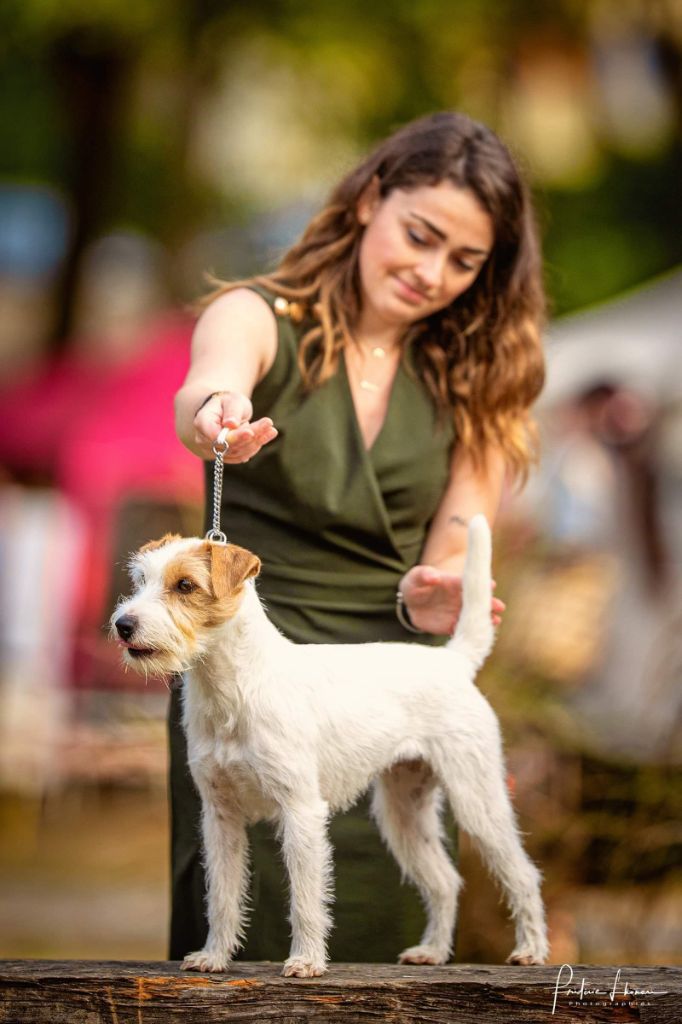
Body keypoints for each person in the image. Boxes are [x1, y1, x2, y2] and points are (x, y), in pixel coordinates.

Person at [172, 111, 545, 962]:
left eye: (465, 261)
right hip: (244, 688)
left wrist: (442, 583)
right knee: (238, 942)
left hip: (383, 700)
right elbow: (210, 380)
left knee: (390, 948)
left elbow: (459, 530)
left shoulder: (475, 378)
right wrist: (215, 413)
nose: (432, 273)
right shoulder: (259, 314)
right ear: (371, 199)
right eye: (420, 235)